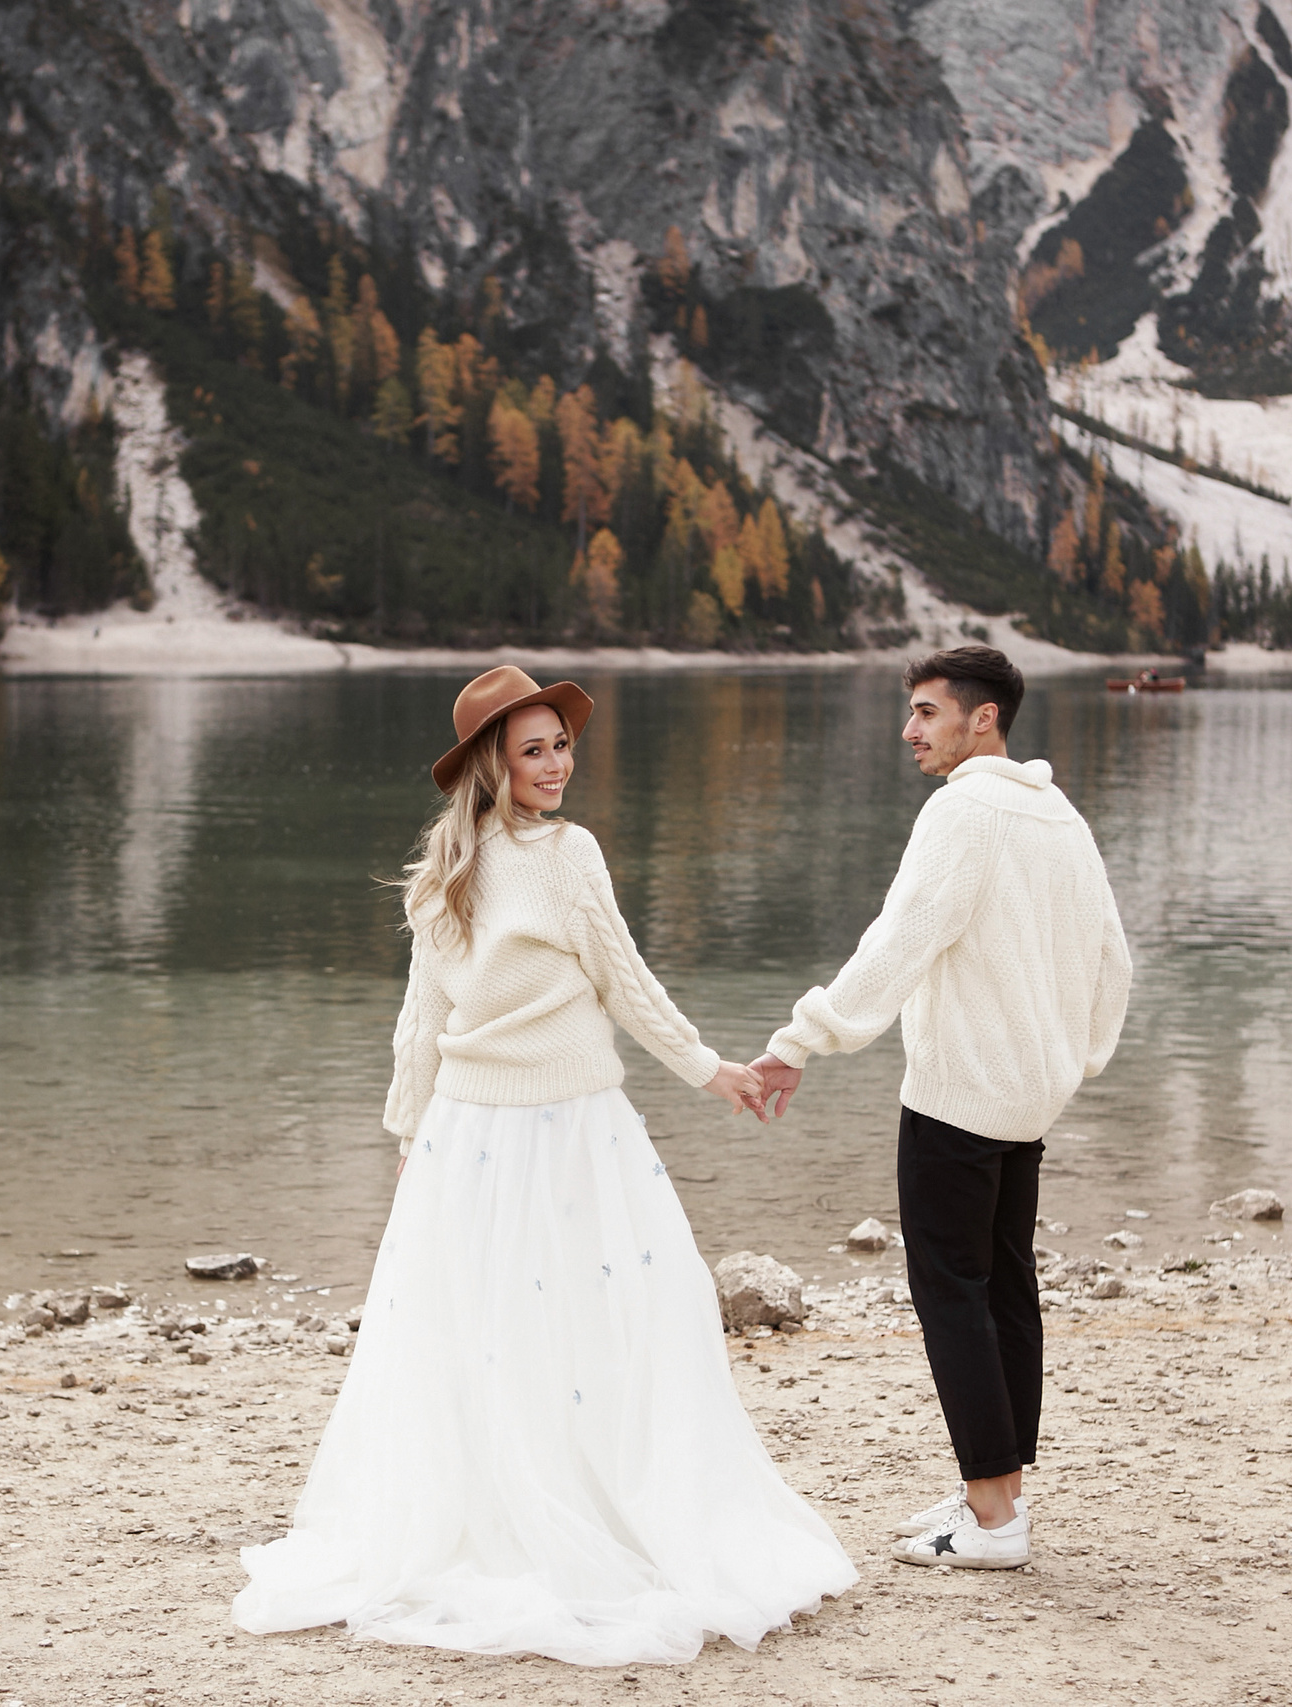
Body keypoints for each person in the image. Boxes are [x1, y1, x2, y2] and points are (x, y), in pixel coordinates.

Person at [234, 665, 856, 1665]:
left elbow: (608, 984)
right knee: (555, 1327)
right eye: (535, 749)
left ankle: (552, 1510)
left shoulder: (530, 858)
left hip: (527, 1133)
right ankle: (546, 1523)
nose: (558, 762)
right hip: (519, 1132)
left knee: (522, 1328)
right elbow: (434, 1019)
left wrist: (709, 1072)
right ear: (494, 764)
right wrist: (407, 1139)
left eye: (561, 744)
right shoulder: (492, 869)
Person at [744, 646, 1130, 1571]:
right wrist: (1074, 1060)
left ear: (982, 717)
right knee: (1005, 1292)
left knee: (952, 1297)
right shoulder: (1057, 813)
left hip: (959, 1098)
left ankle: (994, 1522)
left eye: (926, 711)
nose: (909, 729)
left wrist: (803, 1037)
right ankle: (995, 1496)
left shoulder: (962, 811)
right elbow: (1112, 956)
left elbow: (899, 941)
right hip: (1028, 1100)